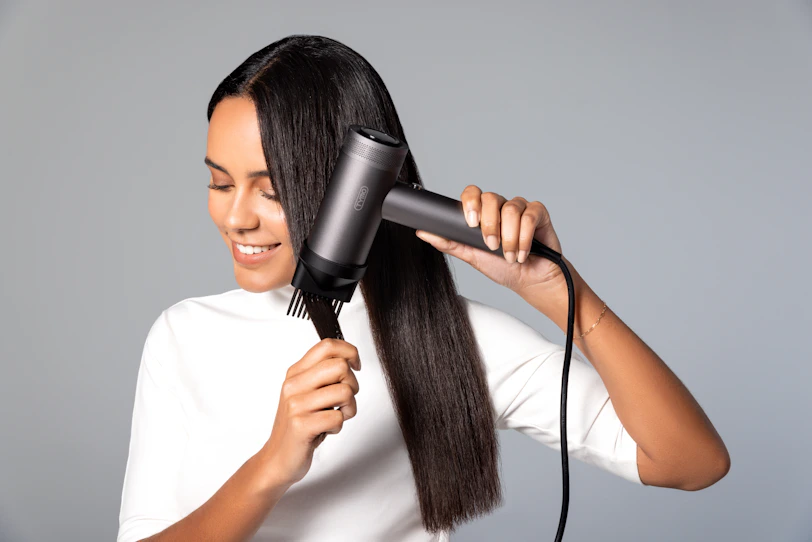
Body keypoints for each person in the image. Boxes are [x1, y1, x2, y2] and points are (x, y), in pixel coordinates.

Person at [116, 34, 729, 542]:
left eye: (271, 191)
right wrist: (272, 466)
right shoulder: (184, 336)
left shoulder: (454, 341)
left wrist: (555, 291)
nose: (235, 218)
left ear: (349, 185)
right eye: (220, 184)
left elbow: (692, 461)